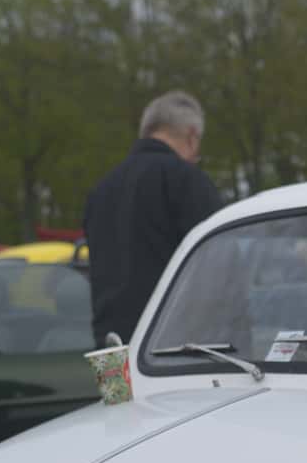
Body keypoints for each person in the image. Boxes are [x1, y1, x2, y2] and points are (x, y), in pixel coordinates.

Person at [82, 91, 222, 346]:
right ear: (192, 137)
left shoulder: (100, 190)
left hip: (110, 348)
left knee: (116, 377)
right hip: (172, 349)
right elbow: (218, 269)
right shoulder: (187, 181)